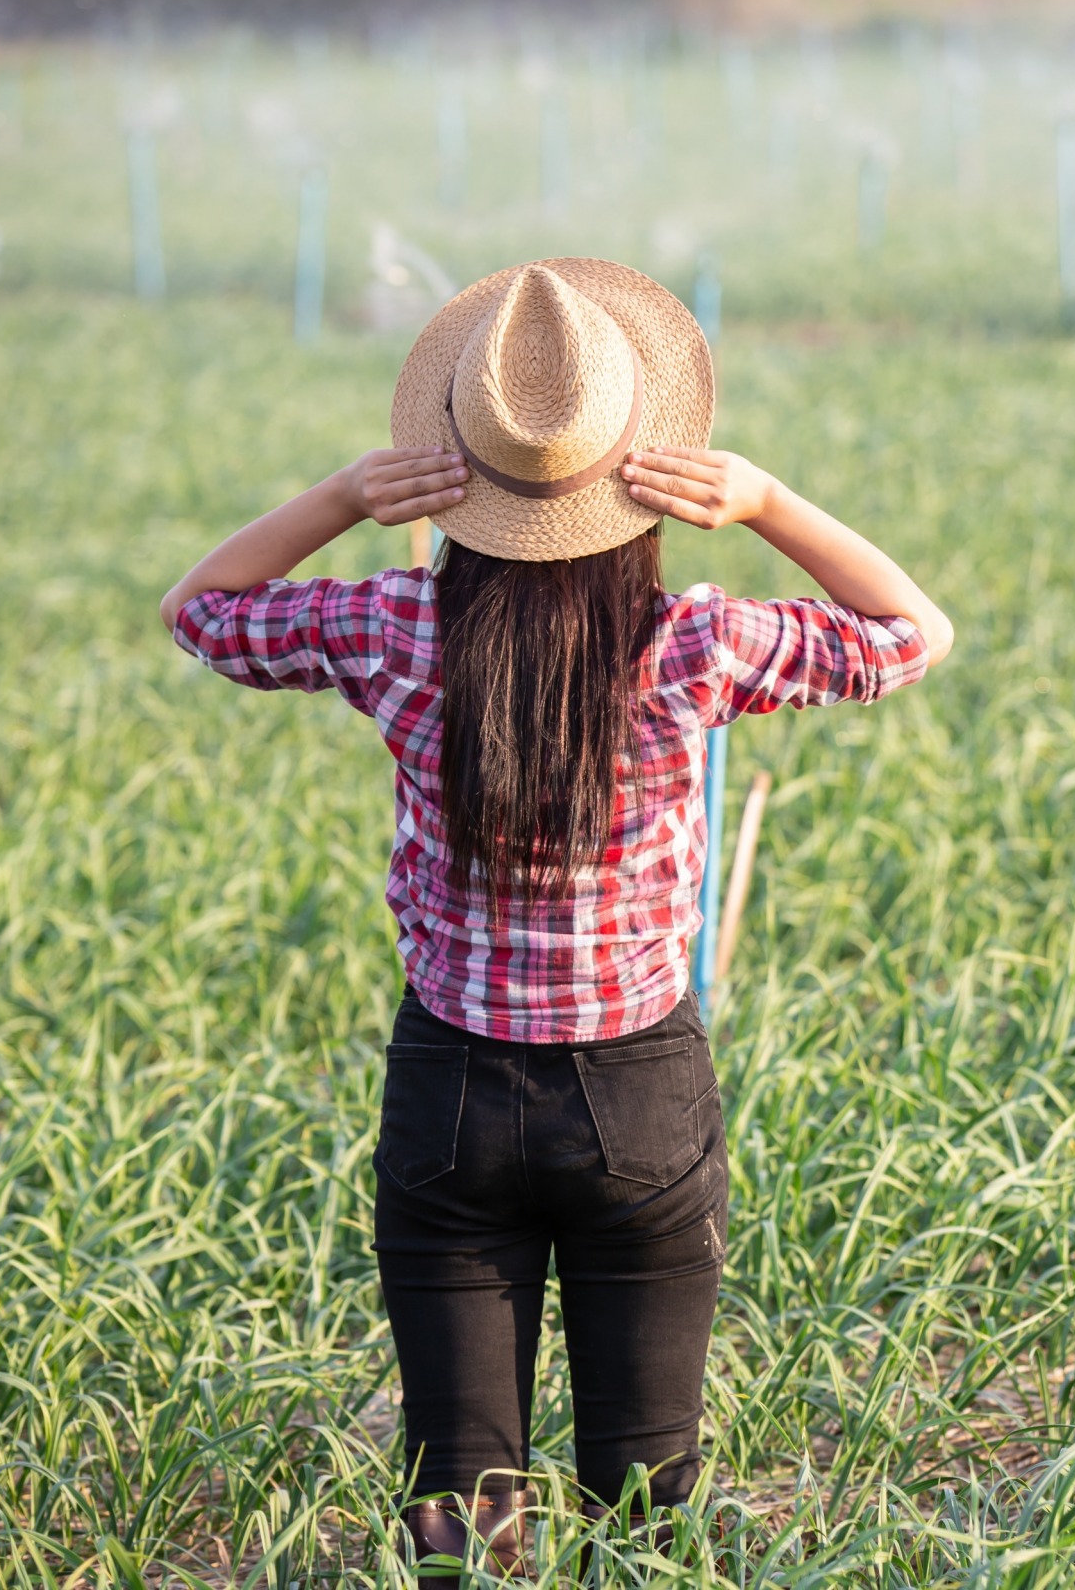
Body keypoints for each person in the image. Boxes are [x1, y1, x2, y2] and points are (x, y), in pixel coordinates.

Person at [158, 259, 952, 1577]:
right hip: (640, 1096)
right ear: (637, 477)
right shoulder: (693, 645)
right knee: (647, 1501)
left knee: (461, 1511)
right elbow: (911, 632)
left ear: (455, 472)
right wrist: (763, 501)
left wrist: (347, 497)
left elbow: (201, 612)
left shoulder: (395, 627)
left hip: (451, 1092)